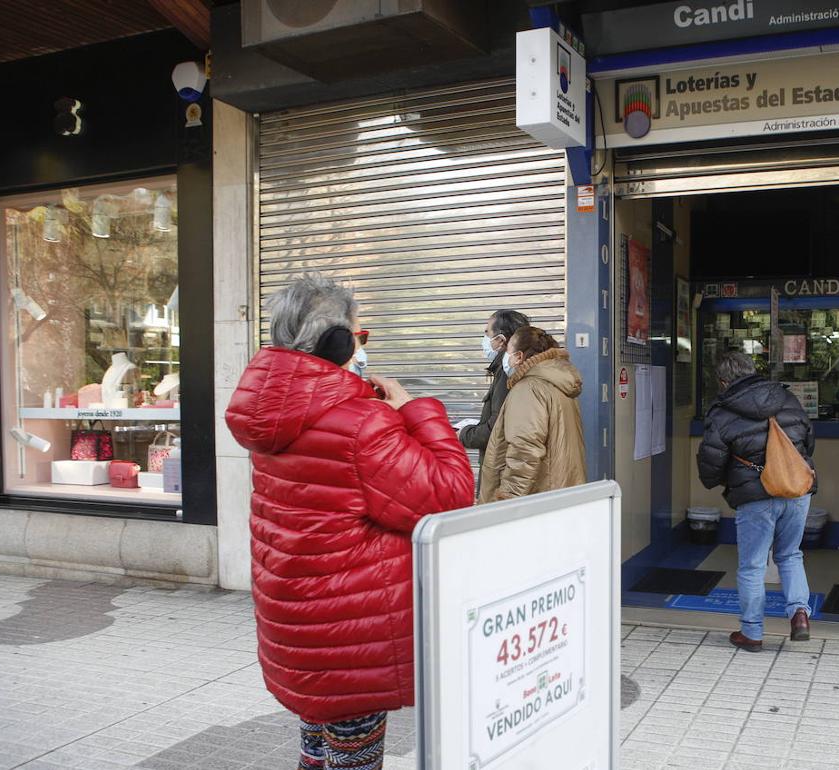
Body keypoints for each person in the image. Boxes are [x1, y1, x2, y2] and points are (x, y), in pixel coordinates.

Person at [225, 275, 474, 770]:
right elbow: (450, 493)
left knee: (317, 746)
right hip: (350, 628)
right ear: (338, 343)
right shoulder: (362, 423)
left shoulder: (272, 414)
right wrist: (414, 410)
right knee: (354, 756)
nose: (363, 349)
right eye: (361, 337)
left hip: (298, 622)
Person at [697, 350, 817, 652]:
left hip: (755, 495)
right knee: (790, 555)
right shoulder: (787, 398)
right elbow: (808, 439)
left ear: (724, 381)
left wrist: (715, 481)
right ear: (752, 370)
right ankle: (799, 614)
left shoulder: (722, 411)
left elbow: (711, 462)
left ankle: (752, 633)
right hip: (796, 488)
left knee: (752, 566)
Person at [478, 325, 586, 503]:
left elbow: (524, 452)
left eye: (509, 351)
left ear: (519, 356)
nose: (505, 357)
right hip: (559, 494)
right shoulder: (557, 384)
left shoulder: (529, 389)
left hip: (537, 501)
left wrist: (505, 502)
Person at [458, 310, 530, 481]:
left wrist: (463, 434)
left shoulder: (509, 373)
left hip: (502, 473)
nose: (484, 340)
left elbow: (497, 430)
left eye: (487, 333)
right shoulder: (513, 369)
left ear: (500, 340)